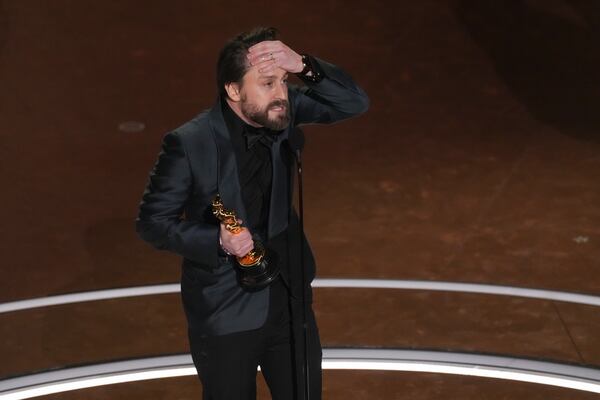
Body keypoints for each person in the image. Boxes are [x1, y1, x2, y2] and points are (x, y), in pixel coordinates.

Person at [136, 26, 368, 400]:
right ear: (233, 90)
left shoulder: (282, 111)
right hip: (226, 308)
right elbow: (152, 223)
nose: (280, 94)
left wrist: (303, 65)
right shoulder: (189, 143)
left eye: (282, 81)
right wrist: (217, 240)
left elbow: (353, 103)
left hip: (290, 300)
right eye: (267, 83)